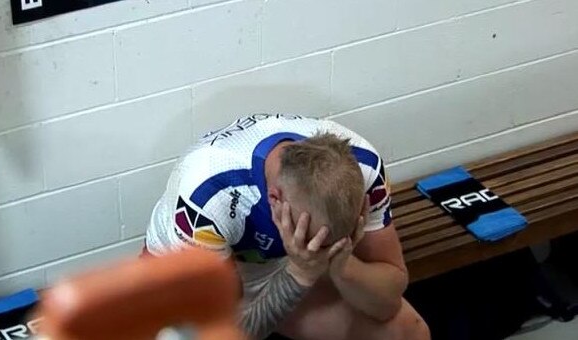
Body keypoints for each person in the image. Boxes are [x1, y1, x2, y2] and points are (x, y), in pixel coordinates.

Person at [144, 113, 430, 340]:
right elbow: (230, 331)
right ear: (274, 199)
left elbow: (386, 304)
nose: (324, 248)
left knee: (409, 332)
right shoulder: (207, 197)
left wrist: (339, 263)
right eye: (315, 240)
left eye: (336, 242)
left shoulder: (366, 168)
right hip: (193, 265)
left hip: (288, 260)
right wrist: (301, 273)